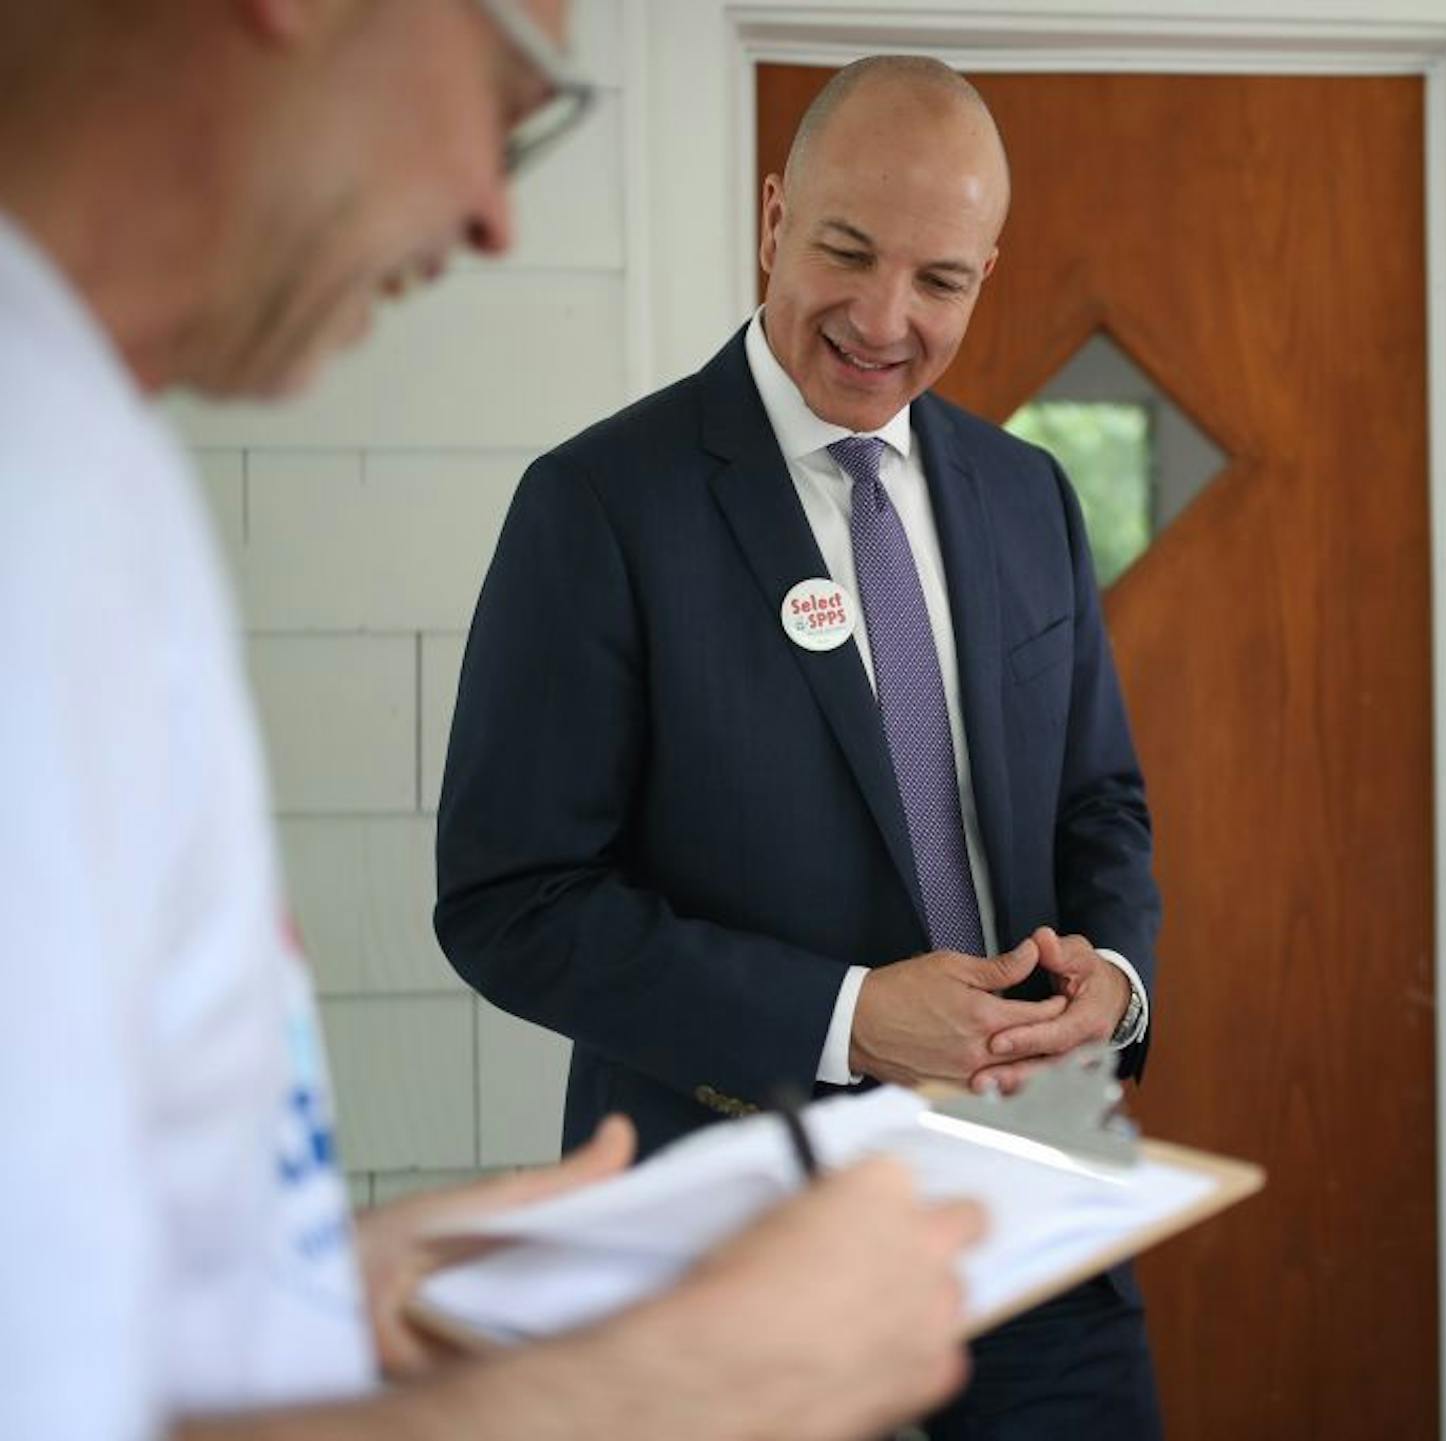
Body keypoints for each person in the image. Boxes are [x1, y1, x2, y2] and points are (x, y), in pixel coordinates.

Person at [0, 3, 981, 1439]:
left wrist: (294, 1293)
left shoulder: (92, 452)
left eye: (941, 276)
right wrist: (681, 1381)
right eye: (506, 89)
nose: (493, 213)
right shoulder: (36, 480)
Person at [434, 54, 1165, 1439]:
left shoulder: (1029, 496)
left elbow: (1100, 803)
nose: (884, 320)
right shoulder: (598, 504)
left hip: (1037, 1219)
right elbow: (509, 903)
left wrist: (1115, 984)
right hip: (729, 1259)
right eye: (846, 251)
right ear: (774, 218)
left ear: (987, 274)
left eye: (938, 280)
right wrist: (846, 1016)